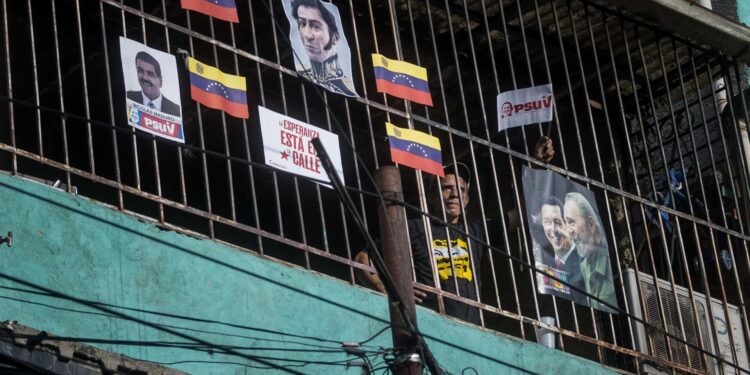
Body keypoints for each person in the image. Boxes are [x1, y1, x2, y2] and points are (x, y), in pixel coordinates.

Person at [563, 192, 618, 313]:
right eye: (566, 222)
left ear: (591, 224)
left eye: (571, 222)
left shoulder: (612, 259)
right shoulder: (584, 263)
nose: (568, 230)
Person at [290, 0, 357, 97]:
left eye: (316, 26)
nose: (306, 35)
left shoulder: (347, 88)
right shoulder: (299, 74)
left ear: (335, 37)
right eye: (303, 24)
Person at [536, 195, 586, 305]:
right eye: (547, 222)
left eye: (558, 222)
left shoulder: (583, 260)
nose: (553, 229)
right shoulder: (546, 264)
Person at [126, 51, 181, 117]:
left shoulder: (176, 110)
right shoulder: (128, 97)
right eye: (140, 71)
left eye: (150, 74)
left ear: (160, 82)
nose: (144, 77)